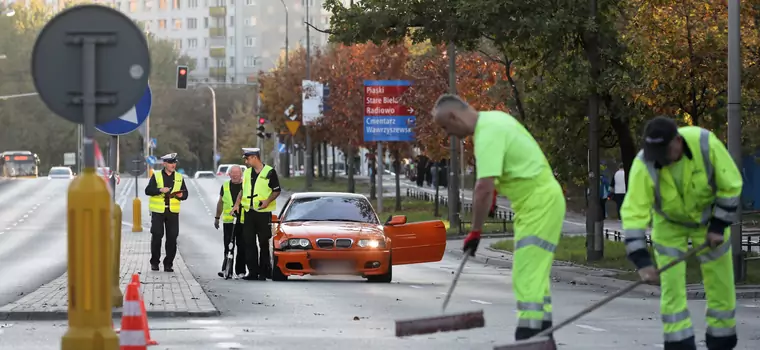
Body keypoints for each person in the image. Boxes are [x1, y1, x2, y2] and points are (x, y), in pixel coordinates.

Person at [431, 94, 566, 341]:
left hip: (539, 204)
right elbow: (502, 172)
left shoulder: (487, 133)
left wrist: (475, 232)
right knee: (534, 277)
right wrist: (493, 195)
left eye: (445, 127)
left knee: (526, 276)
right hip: (537, 204)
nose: (447, 134)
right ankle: (542, 339)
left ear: (453, 116)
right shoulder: (495, 121)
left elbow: (482, 187)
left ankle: (529, 338)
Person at [621, 116, 742, 350]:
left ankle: (722, 340)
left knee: (721, 284)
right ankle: (679, 344)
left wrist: (718, 226)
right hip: (669, 225)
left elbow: (731, 185)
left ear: (677, 141)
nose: (660, 161)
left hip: (709, 222)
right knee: (672, 288)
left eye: (663, 152)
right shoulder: (644, 163)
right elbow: (633, 213)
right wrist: (642, 261)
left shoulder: (705, 143)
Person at [232, 148, 281, 281]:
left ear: (254, 157)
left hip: (263, 213)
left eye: (247, 159)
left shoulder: (269, 172)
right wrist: (237, 205)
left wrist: (267, 201)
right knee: (249, 243)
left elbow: (277, 190)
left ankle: (264, 272)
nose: (246, 161)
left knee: (264, 243)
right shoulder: (247, 173)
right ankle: (253, 272)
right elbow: (242, 191)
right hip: (249, 212)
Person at [144, 153, 189, 272]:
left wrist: (181, 195)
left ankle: (168, 263)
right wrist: (160, 190)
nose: (173, 165)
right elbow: (148, 190)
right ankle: (154, 262)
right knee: (157, 236)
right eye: (170, 163)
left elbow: (185, 194)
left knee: (172, 237)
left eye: (174, 163)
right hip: (158, 211)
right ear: (164, 164)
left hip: (172, 212)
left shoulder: (179, 176)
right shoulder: (157, 175)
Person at [215, 165, 247, 279]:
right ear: (229, 174)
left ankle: (240, 271)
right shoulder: (225, 186)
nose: (235, 175)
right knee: (228, 246)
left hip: (242, 220)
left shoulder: (246, 186)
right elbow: (220, 202)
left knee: (242, 246)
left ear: (241, 174)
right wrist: (217, 217)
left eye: (237, 173)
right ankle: (225, 269)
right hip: (229, 221)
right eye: (233, 173)